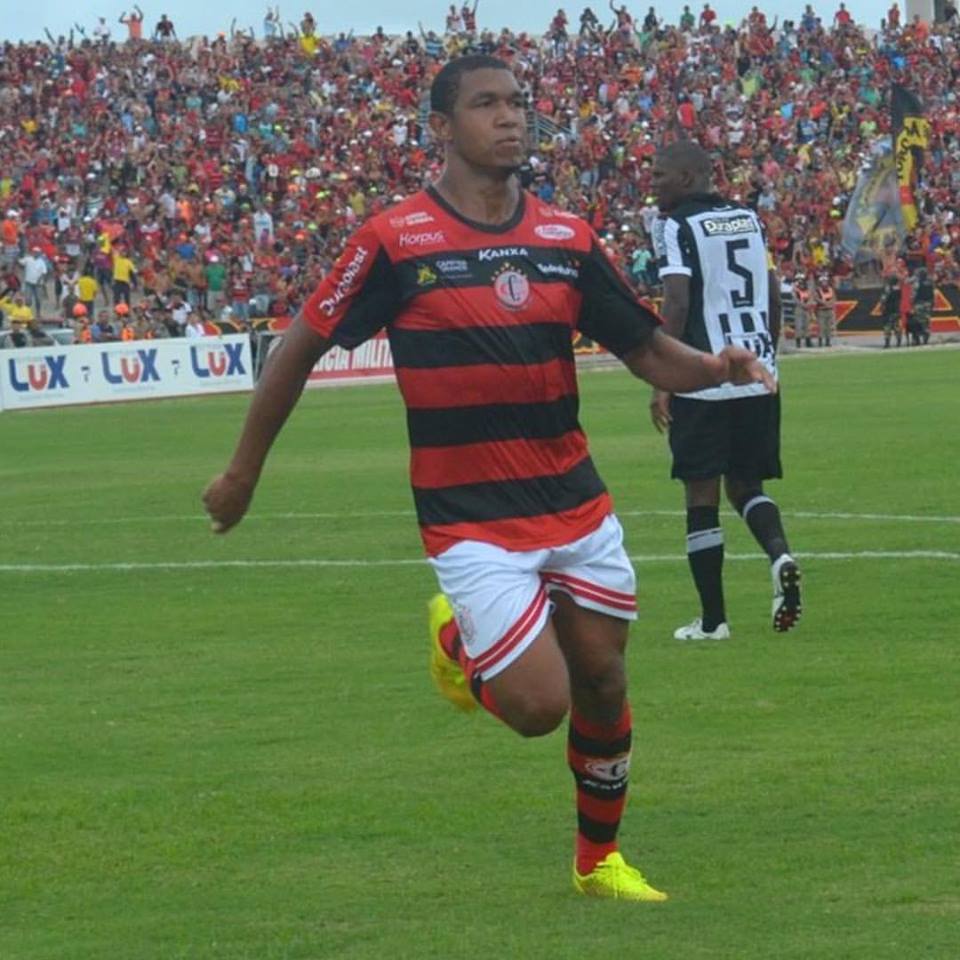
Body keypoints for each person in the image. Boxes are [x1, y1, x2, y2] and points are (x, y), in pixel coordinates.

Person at [203, 56, 772, 903]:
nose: (510, 118)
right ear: (441, 127)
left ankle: (598, 863)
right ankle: (454, 643)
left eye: (517, 103)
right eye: (485, 104)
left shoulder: (565, 238)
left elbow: (647, 348)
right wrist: (243, 472)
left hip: (573, 502)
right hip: (469, 516)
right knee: (540, 706)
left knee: (604, 679)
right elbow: (301, 345)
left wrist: (713, 367)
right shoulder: (396, 240)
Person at [649, 140, 801, 641]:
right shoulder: (749, 219)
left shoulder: (677, 225)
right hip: (757, 374)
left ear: (687, 178)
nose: (653, 184)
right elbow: (772, 291)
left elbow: (676, 302)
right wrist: (766, 357)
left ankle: (713, 621)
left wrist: (664, 376)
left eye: (660, 175)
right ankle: (780, 556)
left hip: (705, 376)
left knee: (701, 494)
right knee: (747, 486)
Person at [911, 267, 933, 345]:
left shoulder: (917, 283)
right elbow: (932, 293)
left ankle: (917, 339)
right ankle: (926, 337)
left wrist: (912, 303)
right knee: (927, 321)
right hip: (928, 304)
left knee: (917, 321)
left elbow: (914, 294)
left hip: (919, 304)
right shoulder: (930, 282)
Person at [880, 275, 902, 348]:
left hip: (888, 309)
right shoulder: (898, 288)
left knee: (887, 326)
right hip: (896, 309)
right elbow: (900, 298)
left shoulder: (888, 288)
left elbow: (884, 298)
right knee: (896, 326)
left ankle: (887, 343)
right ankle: (899, 341)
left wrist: (882, 306)